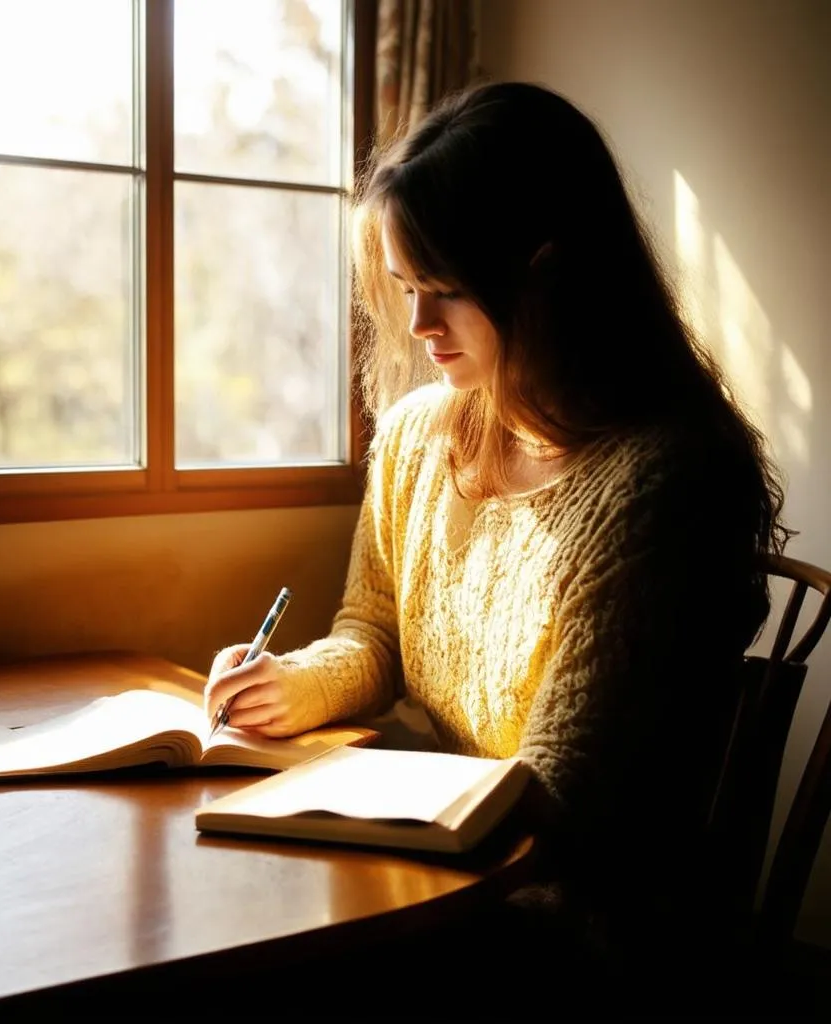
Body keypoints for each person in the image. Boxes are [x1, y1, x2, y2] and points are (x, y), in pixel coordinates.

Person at [204, 81, 789, 1016]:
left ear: (548, 275)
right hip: (438, 871)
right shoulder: (417, 436)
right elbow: (374, 629)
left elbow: (565, 802)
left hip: (574, 933)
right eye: (404, 291)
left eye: (447, 293)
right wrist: (300, 683)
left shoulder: (666, 480)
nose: (419, 328)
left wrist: (347, 801)